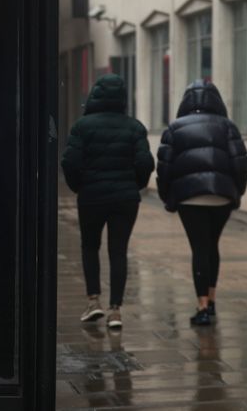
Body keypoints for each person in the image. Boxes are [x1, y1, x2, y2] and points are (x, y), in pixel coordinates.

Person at [61, 74, 154, 329]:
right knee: (118, 251)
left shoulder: (83, 126)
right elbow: (145, 162)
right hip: (125, 199)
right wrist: (136, 184)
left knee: (90, 247)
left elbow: (69, 162)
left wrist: (78, 186)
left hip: (91, 196)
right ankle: (115, 311)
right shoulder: (135, 127)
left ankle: (93, 302)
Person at [156, 80, 247, 326]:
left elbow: (164, 167)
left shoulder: (175, 128)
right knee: (212, 246)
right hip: (221, 197)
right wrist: (237, 192)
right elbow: (240, 162)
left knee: (199, 248)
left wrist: (168, 197)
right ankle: (213, 299)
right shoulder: (228, 126)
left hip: (189, 197)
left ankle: (202, 307)